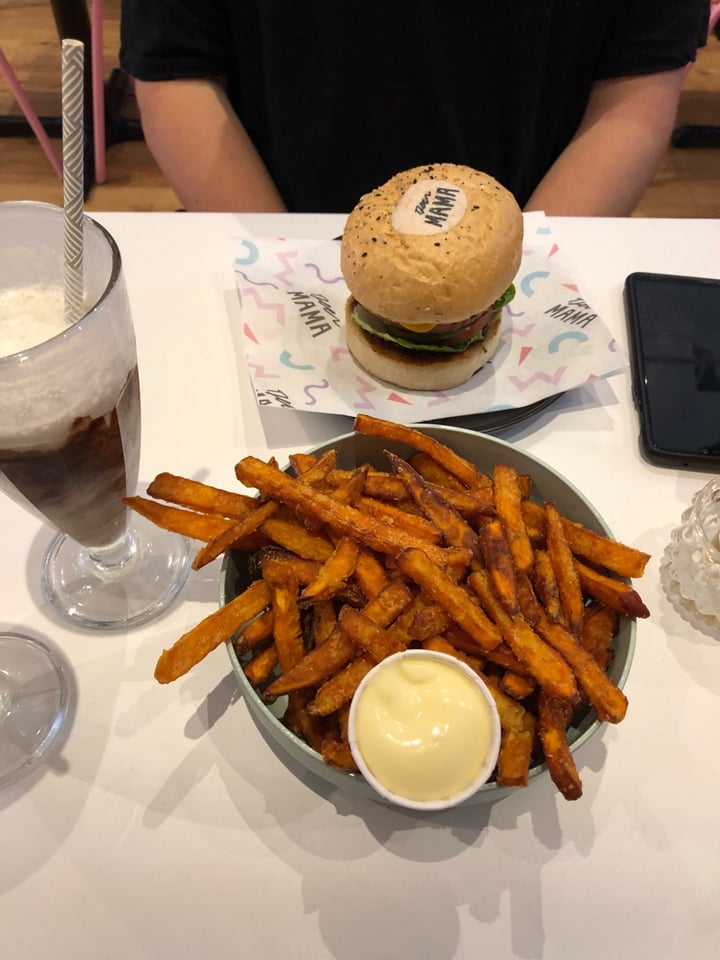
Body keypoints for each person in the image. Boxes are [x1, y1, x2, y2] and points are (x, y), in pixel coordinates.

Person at [119, 1, 709, 216]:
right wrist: (285, 268)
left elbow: (637, 85)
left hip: (539, 245)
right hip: (262, 233)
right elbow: (176, 64)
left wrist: (516, 270)